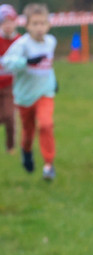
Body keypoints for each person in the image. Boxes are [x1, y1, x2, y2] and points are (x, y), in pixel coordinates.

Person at [1, 3, 56, 180]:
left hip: (45, 93)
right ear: (27, 26)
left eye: (42, 23)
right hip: (25, 97)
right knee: (28, 132)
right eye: (35, 24)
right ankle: (26, 151)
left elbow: (48, 65)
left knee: (46, 124)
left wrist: (54, 82)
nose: (39, 28)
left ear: (48, 25)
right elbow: (6, 63)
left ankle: (48, 164)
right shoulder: (22, 44)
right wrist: (26, 62)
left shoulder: (51, 42)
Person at [0, 3, 19, 155]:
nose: (7, 25)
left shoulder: (20, 41)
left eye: (10, 22)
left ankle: (10, 147)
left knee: (9, 117)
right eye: (4, 22)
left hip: (11, 85)